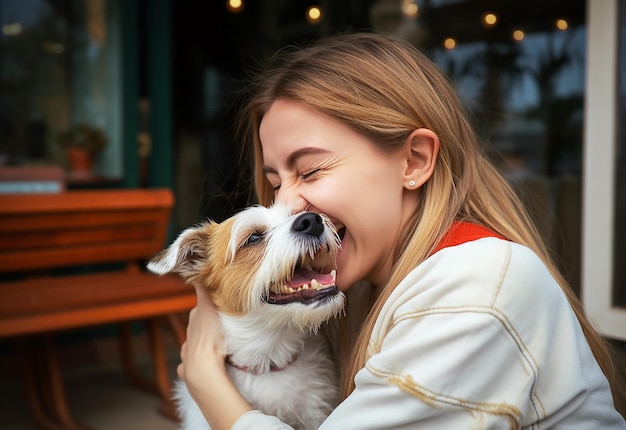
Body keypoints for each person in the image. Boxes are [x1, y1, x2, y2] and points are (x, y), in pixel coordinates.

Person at [177, 32, 626, 429]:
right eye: (276, 184)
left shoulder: (474, 292)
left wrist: (207, 382)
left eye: (311, 171)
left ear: (413, 161)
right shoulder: (369, 287)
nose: (287, 207)